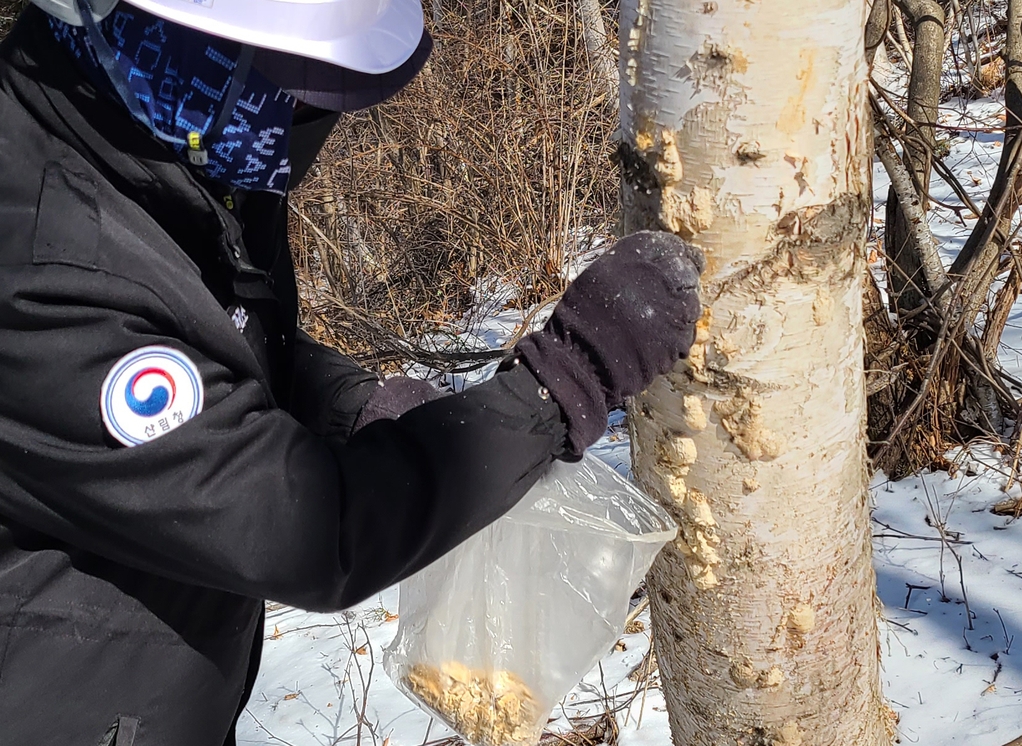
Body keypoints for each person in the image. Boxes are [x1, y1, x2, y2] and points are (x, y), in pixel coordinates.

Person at [0, 0, 704, 742]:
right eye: (279, 81)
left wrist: (356, 405)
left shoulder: (152, 157)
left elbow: (222, 341)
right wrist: (567, 379)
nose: (292, 116)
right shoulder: (35, 265)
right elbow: (308, 529)